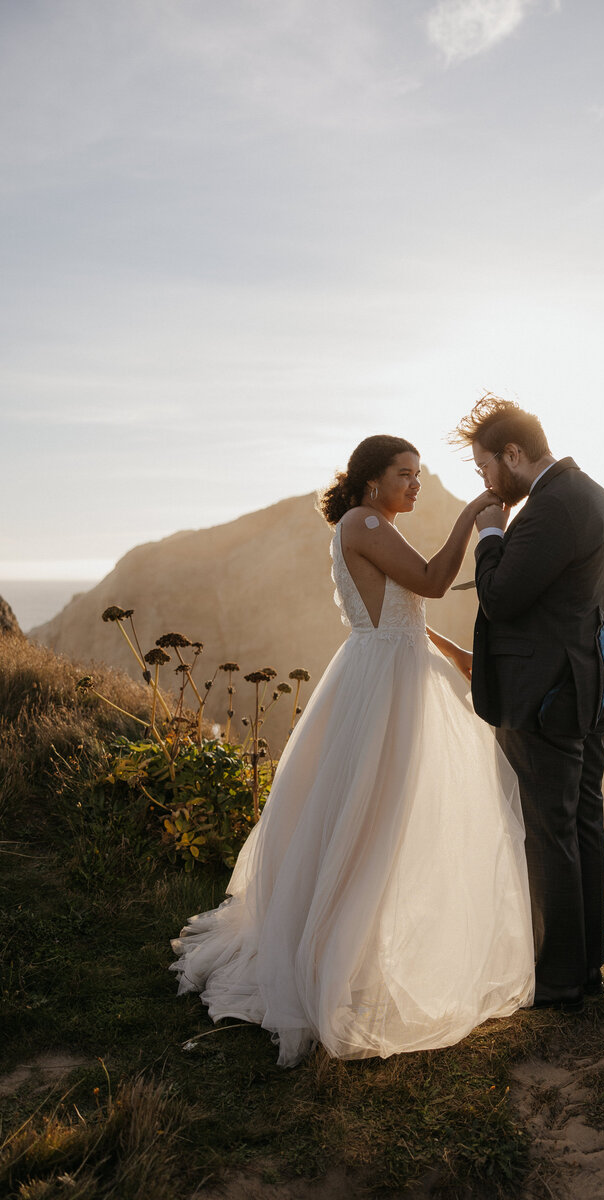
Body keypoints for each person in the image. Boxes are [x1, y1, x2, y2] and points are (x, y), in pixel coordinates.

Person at [171, 435, 535, 1066]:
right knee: (370, 822)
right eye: (406, 475)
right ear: (372, 480)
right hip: (382, 688)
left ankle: (355, 949)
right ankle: (333, 961)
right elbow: (431, 581)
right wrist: (472, 518)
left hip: (388, 671)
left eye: (419, 475)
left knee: (376, 820)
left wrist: (455, 656)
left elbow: (403, 612)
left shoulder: (369, 522)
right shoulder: (365, 521)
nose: (416, 485)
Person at [450, 396, 604, 1013]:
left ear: (514, 455)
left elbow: (502, 596)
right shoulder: (592, 493)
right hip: (587, 685)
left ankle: (555, 983)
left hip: (550, 695)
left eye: (484, 469)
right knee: (579, 826)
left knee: (547, 832)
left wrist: (490, 532)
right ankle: (584, 970)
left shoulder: (551, 507)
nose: (485, 482)